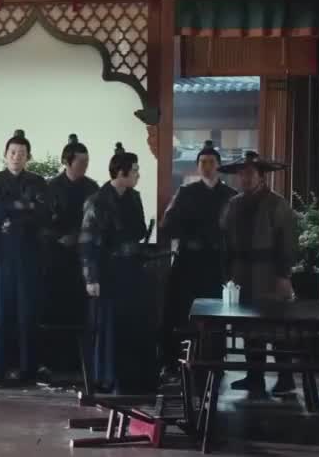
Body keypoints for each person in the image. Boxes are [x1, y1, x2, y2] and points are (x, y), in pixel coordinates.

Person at [219, 151, 297, 398]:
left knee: (276, 326)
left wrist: (283, 275)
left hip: (269, 272)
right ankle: (254, 377)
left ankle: (286, 378)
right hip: (241, 272)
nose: (245, 178)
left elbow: (288, 242)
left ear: (261, 176)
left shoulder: (277, 203)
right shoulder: (234, 204)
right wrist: (227, 272)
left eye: (250, 173)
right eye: (241, 174)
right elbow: (225, 237)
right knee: (248, 326)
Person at [158, 140, 236, 373]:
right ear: (197, 166)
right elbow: (167, 225)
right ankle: (174, 362)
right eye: (202, 162)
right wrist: (187, 235)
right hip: (189, 261)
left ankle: (214, 363)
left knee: (216, 314)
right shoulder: (186, 192)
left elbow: (236, 231)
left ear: (219, 166)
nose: (206, 166)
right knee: (180, 311)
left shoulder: (230, 195)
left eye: (211, 162)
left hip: (216, 262)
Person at [80, 144, 152, 394]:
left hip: (131, 268)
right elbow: (87, 242)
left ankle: (132, 377)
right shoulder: (97, 201)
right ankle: (108, 378)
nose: (138, 175)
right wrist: (91, 277)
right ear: (121, 172)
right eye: (135, 170)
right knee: (108, 325)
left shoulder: (134, 197)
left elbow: (139, 229)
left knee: (131, 322)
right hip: (108, 269)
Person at [0, 129, 49, 384]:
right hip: (3, 250)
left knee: (27, 309)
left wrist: (12, 209)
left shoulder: (37, 181)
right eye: (12, 152)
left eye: (22, 153)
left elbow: (43, 212)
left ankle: (27, 369)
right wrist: (25, 206)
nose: (16, 157)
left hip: (30, 250)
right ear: (5, 154)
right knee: (1, 308)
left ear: (28, 157)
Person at [41, 134, 98, 380]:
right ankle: (53, 362)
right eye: (80, 162)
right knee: (55, 308)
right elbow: (42, 222)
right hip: (56, 257)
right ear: (67, 162)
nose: (84, 166)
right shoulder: (50, 187)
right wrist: (59, 237)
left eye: (87, 162)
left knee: (80, 310)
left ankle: (80, 362)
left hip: (82, 259)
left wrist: (78, 237)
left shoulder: (92, 188)